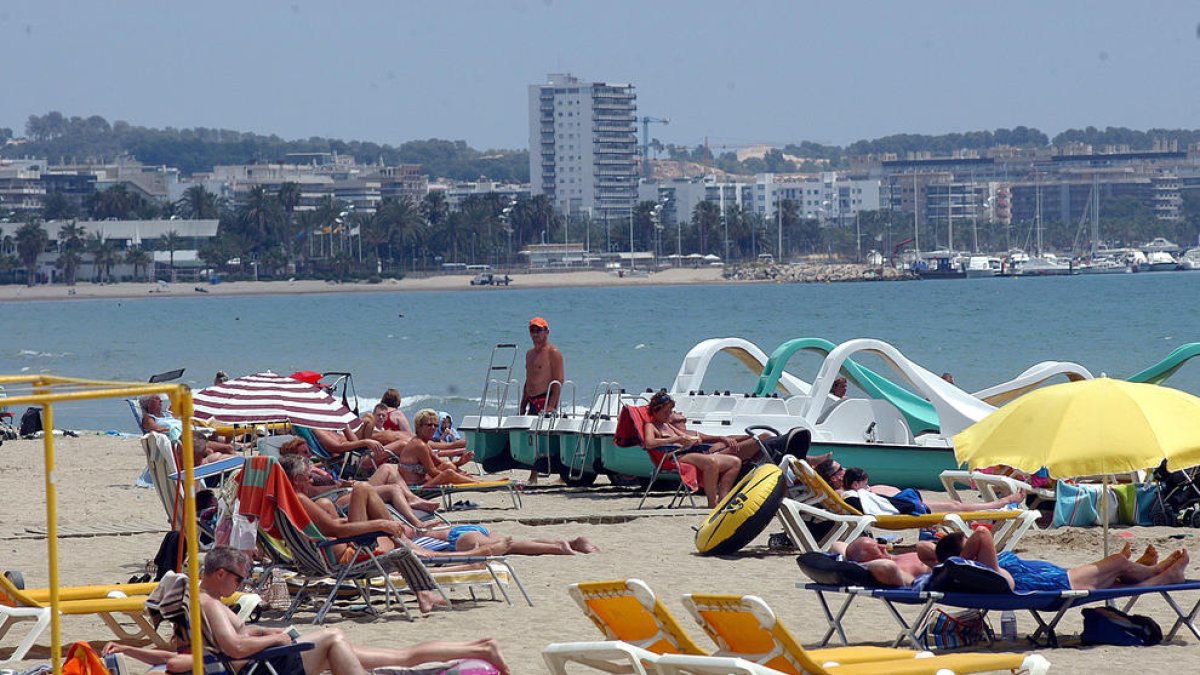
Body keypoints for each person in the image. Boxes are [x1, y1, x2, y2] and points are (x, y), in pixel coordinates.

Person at [104, 546, 510, 675]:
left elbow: (184, 657)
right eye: (240, 580)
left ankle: (478, 648)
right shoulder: (208, 603)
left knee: (396, 658)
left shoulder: (200, 604)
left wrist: (128, 651)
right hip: (266, 667)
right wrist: (278, 636)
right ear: (221, 574)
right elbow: (232, 647)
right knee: (335, 638)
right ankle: (477, 647)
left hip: (268, 658)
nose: (241, 587)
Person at [935, 528, 1189, 592]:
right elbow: (982, 533)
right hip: (1058, 583)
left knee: (1116, 575)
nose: (973, 540)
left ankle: (1146, 569)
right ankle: (1160, 573)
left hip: (1057, 577)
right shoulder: (984, 570)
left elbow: (927, 551)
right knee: (1117, 563)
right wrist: (962, 558)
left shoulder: (985, 567)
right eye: (967, 544)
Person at [278, 437, 441, 523]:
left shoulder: (312, 469)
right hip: (337, 499)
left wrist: (344, 483)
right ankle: (415, 523)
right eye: (305, 453)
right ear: (294, 457)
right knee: (392, 489)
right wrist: (339, 485)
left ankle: (412, 499)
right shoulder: (302, 476)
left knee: (388, 468)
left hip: (343, 491)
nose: (310, 455)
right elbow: (313, 493)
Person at [644, 390, 740, 509]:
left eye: (670, 412)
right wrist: (673, 440)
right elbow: (649, 443)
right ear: (655, 410)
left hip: (688, 453)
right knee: (711, 463)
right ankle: (712, 502)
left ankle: (723, 498)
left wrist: (692, 440)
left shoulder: (667, 425)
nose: (668, 415)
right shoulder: (650, 426)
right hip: (674, 457)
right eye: (665, 412)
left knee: (734, 462)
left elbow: (685, 437)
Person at [815, 459, 1024, 514]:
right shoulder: (845, 494)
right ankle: (1003, 502)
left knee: (953, 506)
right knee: (954, 506)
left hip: (904, 501)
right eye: (839, 470)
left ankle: (1001, 503)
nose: (844, 470)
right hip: (904, 506)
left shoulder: (847, 492)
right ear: (833, 479)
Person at [521, 316, 564, 484]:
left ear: (547, 331)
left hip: (546, 399)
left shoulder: (553, 352)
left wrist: (552, 405)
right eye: (532, 330)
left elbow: (558, 380)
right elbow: (528, 378)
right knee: (533, 439)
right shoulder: (529, 354)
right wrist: (523, 403)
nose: (535, 333)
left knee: (549, 438)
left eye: (539, 330)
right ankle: (534, 476)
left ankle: (562, 475)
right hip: (532, 399)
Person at [139, 394, 239, 465]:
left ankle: (228, 471)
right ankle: (239, 471)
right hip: (182, 442)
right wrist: (175, 429)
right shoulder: (148, 418)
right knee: (226, 448)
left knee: (216, 449)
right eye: (156, 399)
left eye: (160, 399)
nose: (160, 401)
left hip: (193, 437)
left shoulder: (167, 414)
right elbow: (156, 431)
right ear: (148, 403)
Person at [396, 409, 483, 486]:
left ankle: (477, 482)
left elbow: (439, 464)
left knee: (447, 464)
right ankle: (480, 484)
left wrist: (460, 462)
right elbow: (433, 472)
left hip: (422, 481)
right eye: (429, 425)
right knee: (449, 473)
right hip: (414, 487)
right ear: (419, 427)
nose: (433, 428)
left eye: (436, 425)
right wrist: (457, 477)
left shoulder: (424, 443)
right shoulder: (419, 445)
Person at [833, 535, 939, 587]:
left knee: (923, 546)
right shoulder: (894, 570)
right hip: (942, 571)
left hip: (941, 557)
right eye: (877, 548)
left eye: (878, 542)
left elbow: (837, 544)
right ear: (870, 559)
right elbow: (886, 566)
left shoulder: (891, 558)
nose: (883, 546)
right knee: (923, 546)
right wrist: (862, 565)